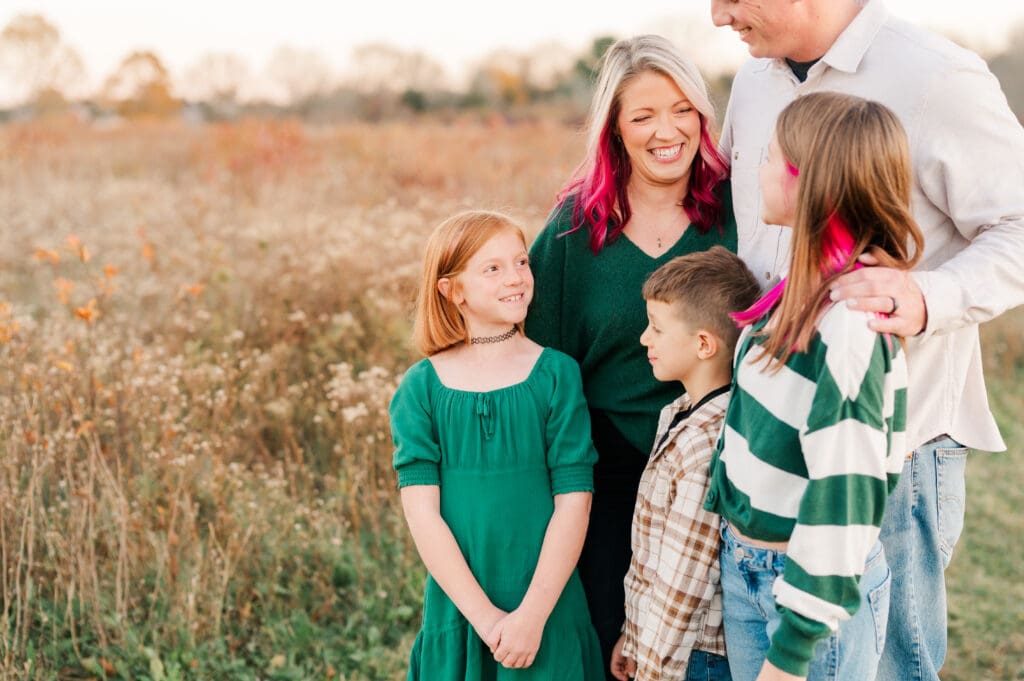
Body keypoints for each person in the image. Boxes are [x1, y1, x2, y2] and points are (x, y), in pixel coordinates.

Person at [708, 1, 1024, 678]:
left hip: (890, 447)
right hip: (774, 450)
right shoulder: (752, 82)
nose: (716, 16)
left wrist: (926, 295)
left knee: (892, 664)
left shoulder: (938, 76)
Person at [525, 35, 738, 674]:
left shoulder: (737, 211)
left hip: (724, 468)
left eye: (681, 110)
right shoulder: (573, 231)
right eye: (642, 116)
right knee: (614, 652)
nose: (665, 131)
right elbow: (538, 360)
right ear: (615, 130)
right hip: (610, 477)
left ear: (702, 116)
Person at [704, 92, 925, 681]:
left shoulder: (847, 325)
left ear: (805, 181)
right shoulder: (798, 291)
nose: (755, 169)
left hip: (803, 597)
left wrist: (793, 649)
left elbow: (845, 495)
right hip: (751, 566)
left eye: (769, 157)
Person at [390, 210, 604, 680]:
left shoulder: (556, 375)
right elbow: (423, 515)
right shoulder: (420, 388)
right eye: (493, 269)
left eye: (522, 263)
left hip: (547, 605)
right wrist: (486, 619)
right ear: (452, 290)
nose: (516, 278)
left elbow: (574, 503)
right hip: (462, 607)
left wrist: (531, 617)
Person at [609, 246, 760, 681]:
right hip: (665, 645)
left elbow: (684, 586)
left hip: (693, 660)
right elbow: (655, 560)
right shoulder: (679, 412)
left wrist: (652, 670)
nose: (643, 339)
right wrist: (634, 634)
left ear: (703, 344)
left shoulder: (705, 446)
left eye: (656, 328)